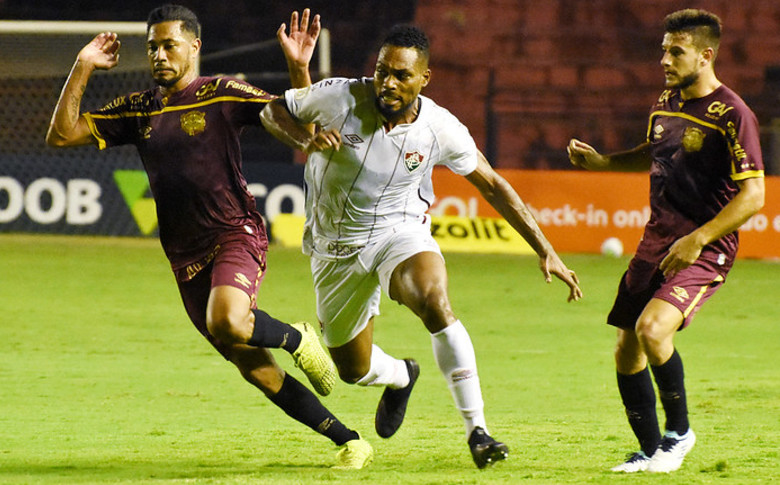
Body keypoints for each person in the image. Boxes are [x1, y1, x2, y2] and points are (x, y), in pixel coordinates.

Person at [45, 5, 374, 470]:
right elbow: (62, 135)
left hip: (234, 234)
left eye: (169, 45)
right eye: (152, 47)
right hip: (185, 259)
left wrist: (298, 72)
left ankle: (297, 338)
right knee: (257, 370)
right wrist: (83, 66)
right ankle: (350, 440)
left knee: (229, 320)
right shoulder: (139, 109)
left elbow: (291, 118)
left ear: (194, 47)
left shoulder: (221, 92)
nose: (159, 55)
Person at [260, 24, 583, 469]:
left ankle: (478, 431)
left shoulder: (440, 128)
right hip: (334, 247)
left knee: (434, 300)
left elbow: (492, 185)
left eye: (401, 75)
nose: (388, 83)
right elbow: (274, 111)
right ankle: (400, 375)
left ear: (425, 78)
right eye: (382, 72)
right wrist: (305, 137)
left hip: (399, 232)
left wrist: (544, 248)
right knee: (352, 370)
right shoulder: (341, 96)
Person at [567, 9, 765, 474]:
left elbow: (755, 195)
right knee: (626, 349)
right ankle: (650, 449)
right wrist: (604, 163)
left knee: (653, 330)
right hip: (656, 241)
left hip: (705, 247)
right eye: (663, 50)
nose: (664, 60)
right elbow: (653, 153)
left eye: (676, 52)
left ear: (706, 55)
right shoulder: (666, 101)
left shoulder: (733, 114)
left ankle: (679, 435)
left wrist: (699, 239)